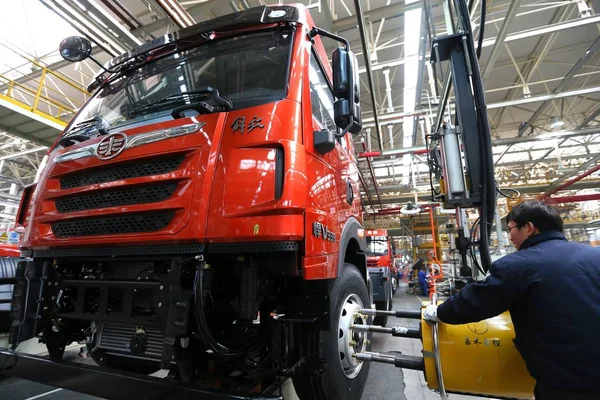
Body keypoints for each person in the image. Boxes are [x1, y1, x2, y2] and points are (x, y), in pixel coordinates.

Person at [423, 200, 600, 399]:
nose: (510, 237)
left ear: (529, 228)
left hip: (568, 382)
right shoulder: (595, 256)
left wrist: (439, 312)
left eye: (511, 229)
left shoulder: (518, 265)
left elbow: (476, 301)